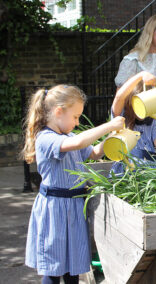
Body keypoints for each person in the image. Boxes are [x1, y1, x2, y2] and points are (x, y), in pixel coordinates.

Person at [21, 85, 125, 284]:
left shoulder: (68, 136)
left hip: (74, 208)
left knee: (73, 268)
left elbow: (93, 153)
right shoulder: (46, 138)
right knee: (53, 269)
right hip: (55, 210)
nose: (77, 123)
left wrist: (112, 138)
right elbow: (78, 143)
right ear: (58, 112)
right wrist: (108, 126)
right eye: (76, 117)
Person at [110, 70, 156, 174]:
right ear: (130, 102)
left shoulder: (155, 118)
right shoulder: (121, 116)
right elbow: (119, 97)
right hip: (124, 170)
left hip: (149, 171)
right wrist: (140, 75)